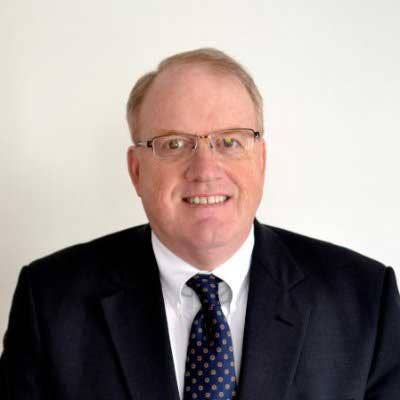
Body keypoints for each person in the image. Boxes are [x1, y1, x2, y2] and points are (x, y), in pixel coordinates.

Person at [1, 48, 399, 400]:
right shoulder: (50, 302)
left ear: (261, 160)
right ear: (136, 170)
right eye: (174, 144)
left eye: (230, 141)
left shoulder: (364, 299)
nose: (205, 169)